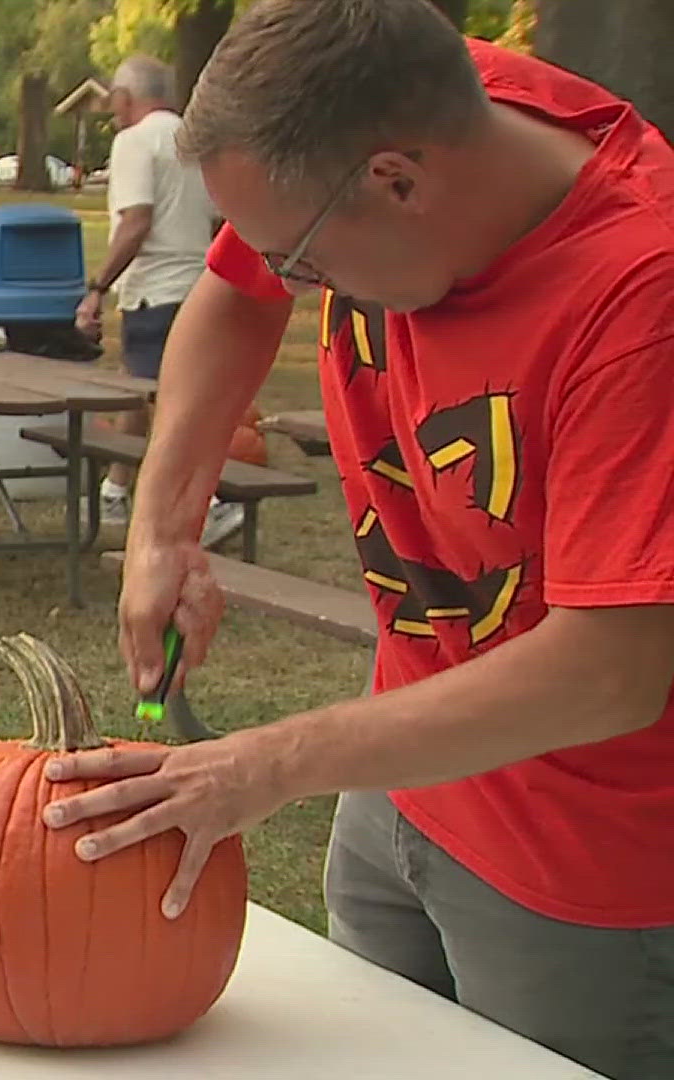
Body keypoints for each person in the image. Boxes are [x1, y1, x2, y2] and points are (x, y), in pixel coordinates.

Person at [40, 3, 674, 1078]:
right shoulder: (393, 93)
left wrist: (268, 762)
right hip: (400, 776)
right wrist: (162, 528)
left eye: (306, 262)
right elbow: (233, 301)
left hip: (581, 871)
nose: (286, 285)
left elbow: (614, 671)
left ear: (396, 180)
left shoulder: (639, 295)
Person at [74, 55, 239, 549]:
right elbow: (217, 219)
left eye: (113, 101)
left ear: (127, 97)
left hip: (155, 291)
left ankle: (204, 509)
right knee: (143, 391)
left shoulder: (134, 142)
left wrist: (97, 288)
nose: (111, 111)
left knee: (166, 403)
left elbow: (136, 220)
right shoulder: (195, 140)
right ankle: (114, 491)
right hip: (196, 287)